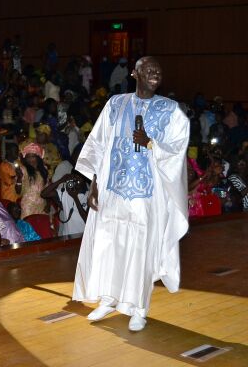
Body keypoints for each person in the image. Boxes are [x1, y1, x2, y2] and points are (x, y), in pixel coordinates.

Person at [72, 57, 189, 332]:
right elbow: (99, 144)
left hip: (148, 196)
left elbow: (177, 151)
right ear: (134, 73)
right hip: (114, 189)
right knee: (108, 241)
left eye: (158, 70)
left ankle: (138, 309)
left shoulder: (170, 110)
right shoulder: (116, 103)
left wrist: (149, 143)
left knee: (141, 248)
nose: (155, 73)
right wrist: (94, 184)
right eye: (149, 69)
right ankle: (108, 298)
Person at [15, 143, 49, 219]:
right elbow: (18, 191)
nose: (30, 160)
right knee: (28, 228)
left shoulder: (44, 169)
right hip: (28, 206)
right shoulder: (23, 169)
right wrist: (19, 178)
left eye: (33, 156)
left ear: (38, 157)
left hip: (42, 205)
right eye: (28, 157)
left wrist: (48, 204)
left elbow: (47, 188)